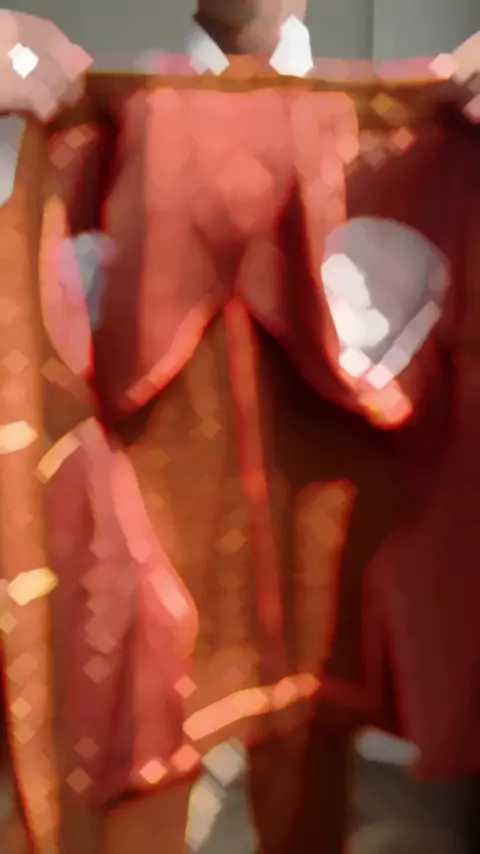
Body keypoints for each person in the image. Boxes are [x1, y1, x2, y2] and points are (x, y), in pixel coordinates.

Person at [1, 6, 480, 854]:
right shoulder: (87, 124)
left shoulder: (393, 137)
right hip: (149, 553)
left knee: (316, 774)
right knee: (135, 790)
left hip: (333, 548)